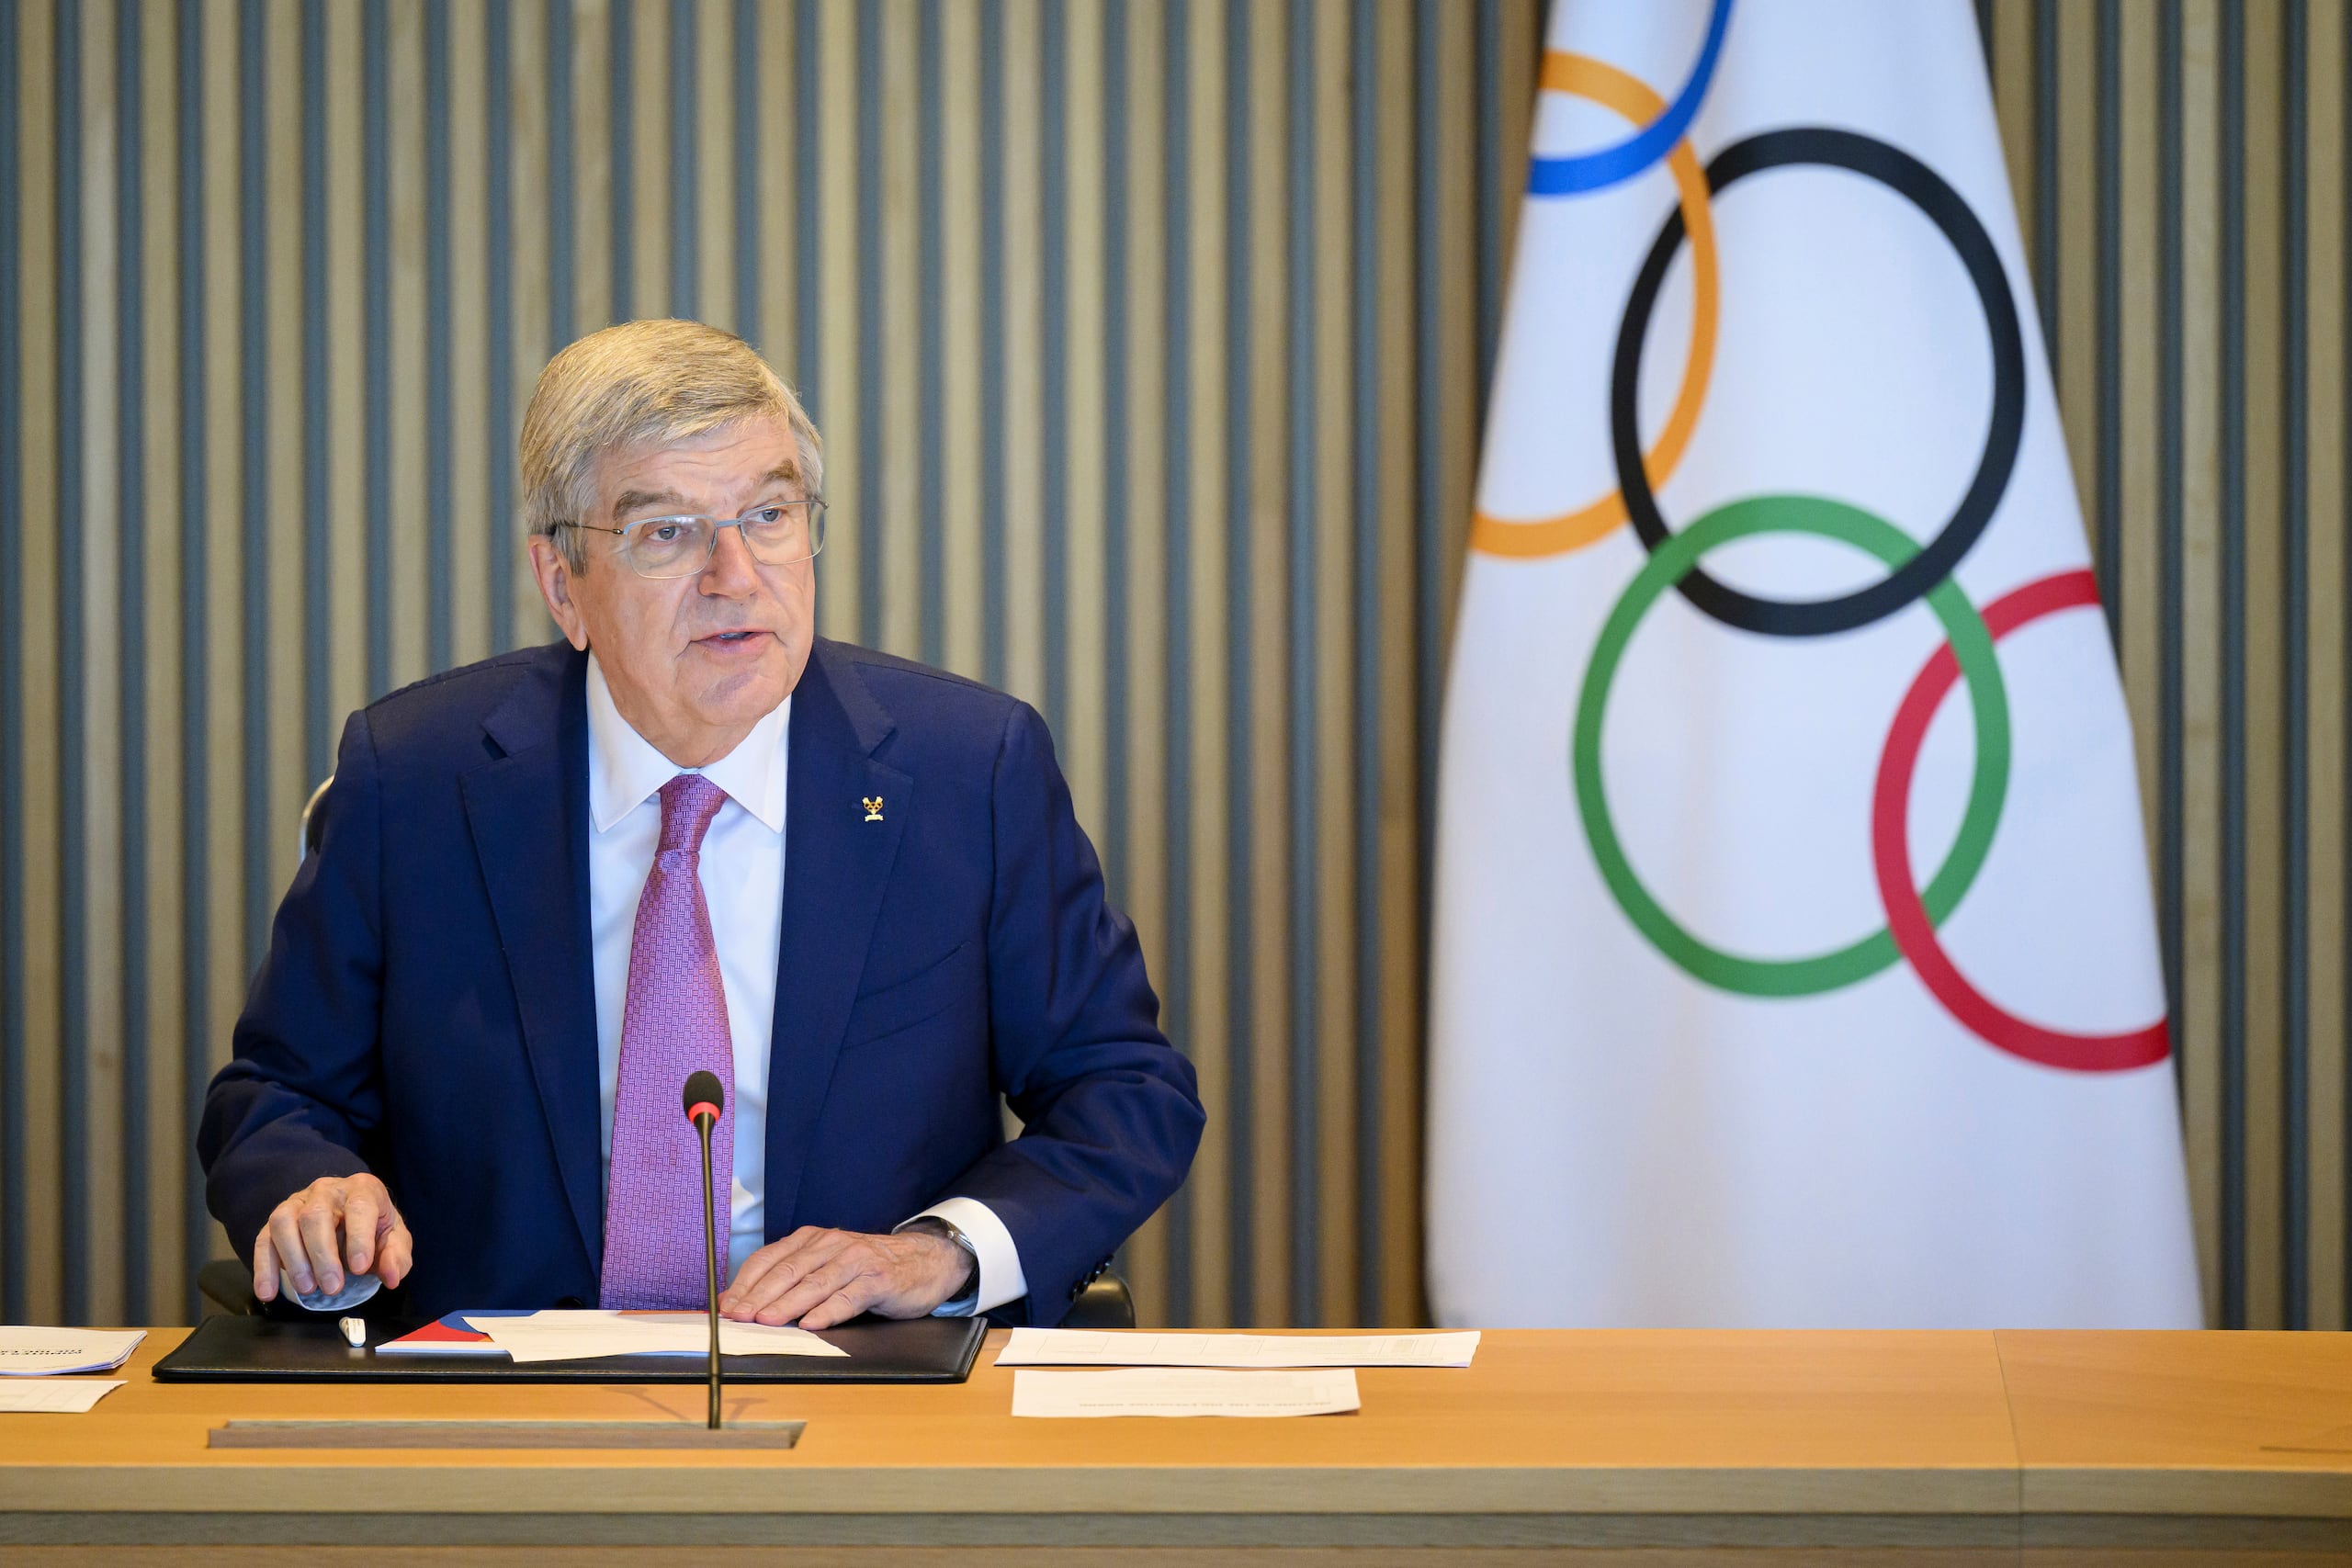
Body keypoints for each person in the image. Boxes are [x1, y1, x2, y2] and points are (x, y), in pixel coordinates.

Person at [199, 319, 1204, 1328]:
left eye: (767, 514)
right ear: (564, 587)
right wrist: (309, 1189)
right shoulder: (417, 777)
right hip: (494, 1402)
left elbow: (1125, 1090)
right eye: (666, 532)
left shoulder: (966, 772)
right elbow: (277, 1095)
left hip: (869, 1392)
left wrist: (939, 1251)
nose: (735, 575)